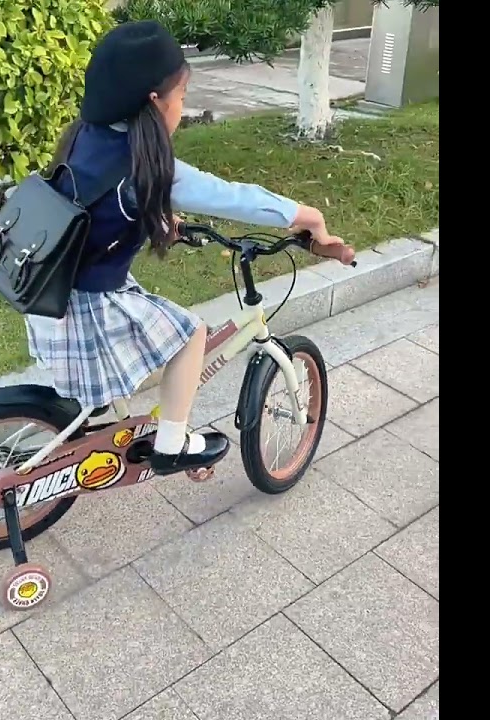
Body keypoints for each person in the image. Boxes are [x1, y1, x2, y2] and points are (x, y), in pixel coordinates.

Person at [26, 20, 345, 477]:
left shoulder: (87, 135)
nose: (184, 105)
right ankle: (172, 445)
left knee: (158, 332)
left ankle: (126, 419)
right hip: (88, 303)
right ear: (155, 103)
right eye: (182, 96)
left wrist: (157, 219)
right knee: (191, 334)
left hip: (58, 284)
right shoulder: (149, 168)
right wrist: (308, 217)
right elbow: (233, 196)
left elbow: (98, 201)